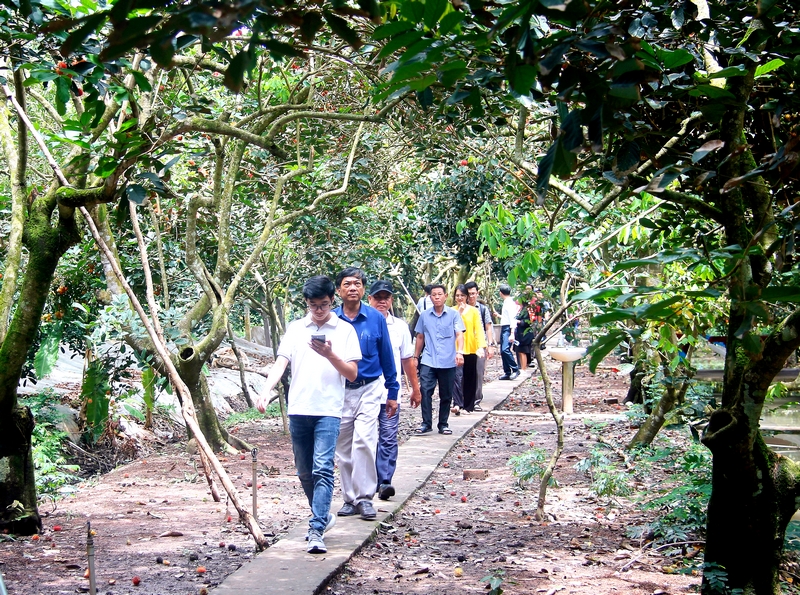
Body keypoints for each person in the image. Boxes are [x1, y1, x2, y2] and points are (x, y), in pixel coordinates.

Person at [256, 275, 361, 554]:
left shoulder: (345, 331)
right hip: (299, 408)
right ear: (306, 303)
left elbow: (352, 373)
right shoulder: (295, 329)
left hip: (328, 409)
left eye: (324, 305)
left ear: (332, 302)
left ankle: (316, 529)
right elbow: (281, 362)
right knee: (304, 472)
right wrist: (266, 389)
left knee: (323, 468)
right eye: (313, 305)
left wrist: (330, 354)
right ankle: (323, 514)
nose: (319, 310)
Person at [333, 267, 399, 521]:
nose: (353, 288)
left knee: (364, 441)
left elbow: (387, 355)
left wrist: (392, 390)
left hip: (370, 388)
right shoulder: (331, 319)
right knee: (344, 447)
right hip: (339, 390)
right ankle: (349, 498)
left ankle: (365, 498)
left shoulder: (375, 318)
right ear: (339, 289)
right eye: (347, 284)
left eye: (358, 284)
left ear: (363, 289)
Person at [367, 280, 422, 500]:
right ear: (369, 299)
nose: (382, 302)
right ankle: (369, 482)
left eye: (386, 298)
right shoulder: (359, 324)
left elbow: (407, 360)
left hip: (391, 394)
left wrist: (415, 389)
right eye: (377, 298)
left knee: (389, 438)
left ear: (391, 301)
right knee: (366, 439)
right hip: (364, 394)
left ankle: (385, 481)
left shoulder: (399, 327)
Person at [414, 284, 465, 435]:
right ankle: (426, 423)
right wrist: (415, 357)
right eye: (433, 295)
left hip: (448, 360)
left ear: (445, 296)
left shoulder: (453, 315)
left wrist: (460, 352)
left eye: (439, 294)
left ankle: (443, 424)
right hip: (428, 360)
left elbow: (459, 334)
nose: (436, 297)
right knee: (425, 390)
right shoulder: (424, 315)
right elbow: (420, 337)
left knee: (446, 394)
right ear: (430, 297)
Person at [451, 284, 486, 414]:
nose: (460, 298)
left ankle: (468, 406)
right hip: (456, 349)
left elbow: (478, 330)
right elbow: (450, 327)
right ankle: (457, 404)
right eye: (457, 296)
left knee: (470, 378)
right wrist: (458, 313)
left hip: (470, 348)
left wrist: (481, 346)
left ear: (467, 296)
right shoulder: (451, 311)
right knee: (457, 377)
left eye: (462, 295)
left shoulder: (474, 311)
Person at [465, 281, 494, 411]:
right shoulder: (461, 309)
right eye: (469, 294)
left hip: (479, 346)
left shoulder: (482, 309)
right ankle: (463, 400)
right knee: (462, 374)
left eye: (473, 294)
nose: (471, 297)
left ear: (477, 293)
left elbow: (488, 327)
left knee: (478, 372)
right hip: (464, 346)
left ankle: (476, 400)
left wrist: (490, 345)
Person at [498, 284, 520, 380]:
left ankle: (515, 369)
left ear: (501, 293)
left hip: (508, 328)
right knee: (502, 351)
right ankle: (507, 372)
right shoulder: (506, 302)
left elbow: (513, 319)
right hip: (505, 328)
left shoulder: (510, 303)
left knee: (505, 349)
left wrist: (512, 333)